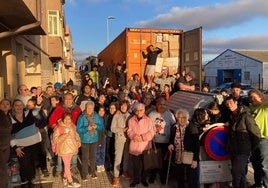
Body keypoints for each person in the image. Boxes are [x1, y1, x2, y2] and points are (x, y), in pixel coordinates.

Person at [224, 95, 261, 188]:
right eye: (227, 104)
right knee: (241, 173)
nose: (229, 105)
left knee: (236, 172)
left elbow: (256, 134)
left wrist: (250, 149)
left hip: (243, 150)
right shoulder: (231, 116)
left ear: (236, 102)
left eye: (231, 103)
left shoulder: (245, 115)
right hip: (233, 149)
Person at [10, 99, 43, 187]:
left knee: (32, 163)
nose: (19, 107)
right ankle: (24, 181)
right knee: (24, 164)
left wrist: (38, 103)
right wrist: (15, 147)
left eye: (20, 105)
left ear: (23, 106)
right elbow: (11, 136)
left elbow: (36, 111)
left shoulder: (29, 113)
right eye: (16, 105)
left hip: (34, 144)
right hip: (22, 147)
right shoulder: (11, 120)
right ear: (13, 108)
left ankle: (31, 179)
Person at [49, 93, 82, 176]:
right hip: (62, 135)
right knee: (60, 152)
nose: (68, 101)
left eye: (70, 99)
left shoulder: (77, 108)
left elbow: (81, 119)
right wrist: (57, 128)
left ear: (73, 99)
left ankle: (73, 166)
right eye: (66, 99)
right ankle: (59, 168)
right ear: (63, 99)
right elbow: (51, 120)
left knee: (74, 152)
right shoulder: (59, 108)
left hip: (73, 133)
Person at [148, 97, 176, 184]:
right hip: (154, 141)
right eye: (160, 104)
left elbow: (174, 126)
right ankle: (153, 176)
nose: (162, 106)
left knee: (165, 161)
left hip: (166, 142)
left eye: (164, 104)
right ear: (156, 104)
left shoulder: (169, 115)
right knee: (154, 161)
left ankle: (163, 177)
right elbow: (148, 127)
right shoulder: (151, 114)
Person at [127, 103, 155, 187]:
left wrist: (142, 137)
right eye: (137, 110)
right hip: (135, 145)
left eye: (141, 110)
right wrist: (134, 136)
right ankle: (136, 180)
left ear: (144, 110)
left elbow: (151, 132)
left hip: (145, 146)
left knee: (145, 165)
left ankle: (143, 179)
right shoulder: (131, 120)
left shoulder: (148, 120)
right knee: (136, 165)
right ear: (135, 111)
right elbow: (129, 131)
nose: (139, 111)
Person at [76, 101, 104, 181]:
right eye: (88, 108)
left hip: (94, 139)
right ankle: (84, 174)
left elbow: (101, 126)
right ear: (85, 108)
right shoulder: (81, 117)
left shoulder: (97, 116)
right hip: (85, 140)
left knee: (93, 157)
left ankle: (92, 172)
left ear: (93, 108)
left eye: (91, 108)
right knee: (85, 158)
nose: (89, 109)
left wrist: (97, 126)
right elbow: (78, 129)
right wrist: (86, 128)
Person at [52, 112, 81, 187]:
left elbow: (76, 135)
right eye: (65, 119)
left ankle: (65, 178)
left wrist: (78, 142)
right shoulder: (59, 128)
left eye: (69, 119)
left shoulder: (72, 126)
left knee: (67, 165)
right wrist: (64, 135)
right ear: (63, 119)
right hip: (63, 150)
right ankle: (70, 182)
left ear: (71, 120)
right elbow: (55, 140)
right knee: (67, 165)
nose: (67, 120)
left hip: (72, 149)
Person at [184, 108, 210, 188]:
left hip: (192, 156)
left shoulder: (194, 125)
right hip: (193, 157)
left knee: (192, 178)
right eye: (206, 114)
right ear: (201, 116)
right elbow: (195, 145)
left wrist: (202, 129)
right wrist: (195, 160)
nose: (207, 115)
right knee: (194, 179)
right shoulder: (193, 128)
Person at [248, 89, 268, 188]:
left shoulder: (264, 107)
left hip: (264, 139)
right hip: (252, 140)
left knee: (264, 165)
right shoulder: (250, 108)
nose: (252, 99)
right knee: (255, 163)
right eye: (251, 97)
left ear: (260, 97)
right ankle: (258, 183)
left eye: (254, 97)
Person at [111, 100, 131, 186]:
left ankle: (125, 171)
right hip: (119, 138)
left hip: (128, 139)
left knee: (126, 156)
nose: (123, 107)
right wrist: (121, 129)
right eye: (122, 106)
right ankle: (116, 176)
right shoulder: (116, 115)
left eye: (125, 106)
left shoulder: (130, 116)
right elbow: (112, 128)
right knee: (118, 158)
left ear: (128, 107)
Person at [168, 109, 190, 188]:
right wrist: (170, 144)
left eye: (184, 117)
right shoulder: (174, 127)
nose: (182, 119)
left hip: (188, 153)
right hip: (178, 152)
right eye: (179, 117)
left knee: (189, 172)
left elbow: (195, 143)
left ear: (187, 118)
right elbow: (171, 138)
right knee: (179, 172)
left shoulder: (191, 127)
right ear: (176, 118)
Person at [0, 99, 12, 188]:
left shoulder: (8, 116)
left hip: (6, 146)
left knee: (4, 168)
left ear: (10, 107)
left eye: (7, 104)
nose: (5, 105)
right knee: (2, 169)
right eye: (3, 104)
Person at [96, 105, 107, 173]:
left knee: (103, 151)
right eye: (100, 110)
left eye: (103, 111)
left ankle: (102, 164)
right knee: (97, 152)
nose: (101, 112)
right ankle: (98, 164)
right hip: (97, 137)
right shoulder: (96, 119)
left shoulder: (105, 118)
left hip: (104, 137)